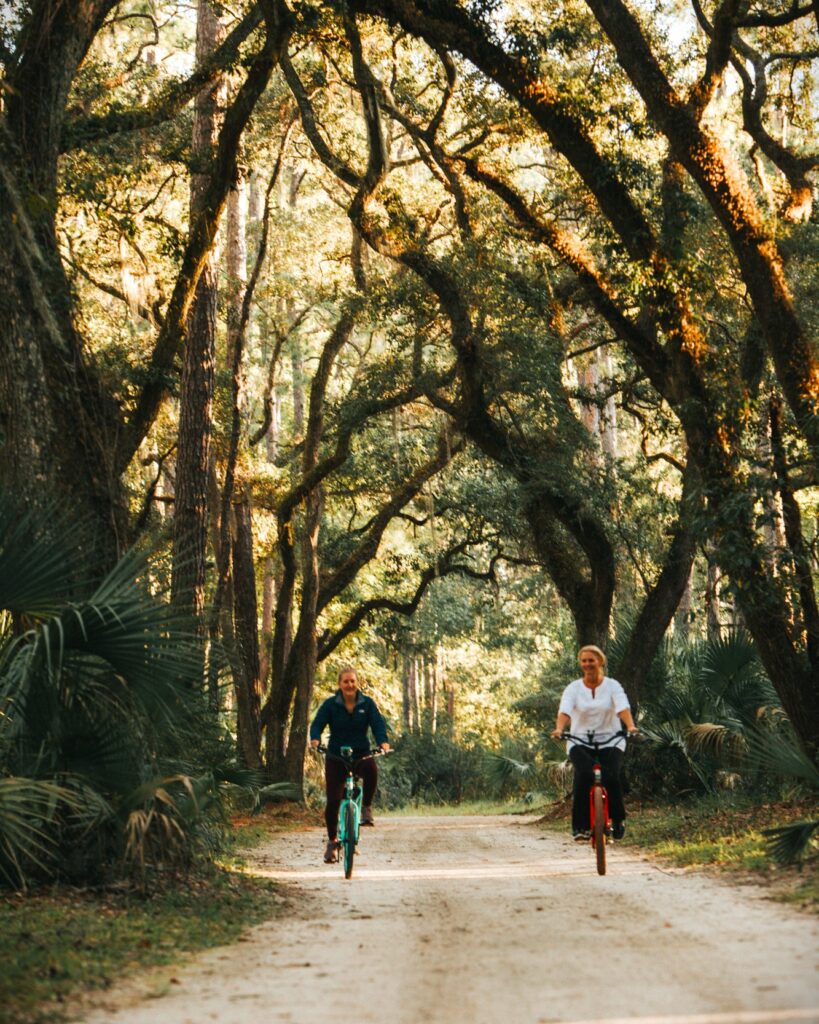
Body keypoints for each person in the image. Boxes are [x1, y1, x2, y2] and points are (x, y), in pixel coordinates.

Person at [551, 644, 638, 842]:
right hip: (579, 740)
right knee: (583, 776)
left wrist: (630, 726)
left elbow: (622, 707)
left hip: (611, 738)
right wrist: (560, 729)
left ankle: (618, 820)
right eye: (584, 661)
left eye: (591, 660)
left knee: (612, 777)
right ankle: (580, 827)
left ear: (600, 662)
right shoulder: (573, 688)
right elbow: (565, 710)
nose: (587, 664)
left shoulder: (612, 686)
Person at [310, 665, 390, 864]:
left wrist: (383, 741)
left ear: (357, 683)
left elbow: (377, 724)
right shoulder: (330, 705)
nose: (349, 684)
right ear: (340, 684)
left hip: (360, 754)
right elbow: (317, 723)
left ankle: (366, 809)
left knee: (371, 769)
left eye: (352, 681)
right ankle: (332, 842)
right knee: (333, 800)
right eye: (345, 681)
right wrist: (315, 739)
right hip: (336, 756)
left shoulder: (367, 704)